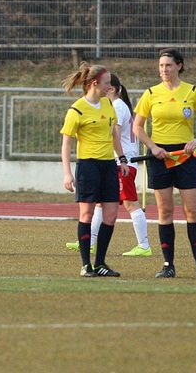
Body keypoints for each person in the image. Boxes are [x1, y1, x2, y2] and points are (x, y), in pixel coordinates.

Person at [132, 48, 196, 279]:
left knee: (192, 210)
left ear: (179, 66)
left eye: (168, 65)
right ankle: (168, 265)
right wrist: (153, 147)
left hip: (185, 155)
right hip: (159, 156)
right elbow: (137, 126)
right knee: (165, 211)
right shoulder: (151, 93)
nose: (164, 70)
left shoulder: (192, 91)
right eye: (161, 65)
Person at [65, 73, 152, 257]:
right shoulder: (114, 105)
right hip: (116, 161)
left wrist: (119, 158)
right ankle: (89, 242)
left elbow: (114, 134)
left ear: (111, 88)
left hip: (121, 162)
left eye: (107, 84)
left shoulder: (117, 106)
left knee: (130, 203)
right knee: (99, 204)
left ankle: (144, 245)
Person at [60, 62, 131, 277]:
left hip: (108, 165)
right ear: (94, 83)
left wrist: (122, 159)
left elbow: (114, 135)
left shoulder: (108, 104)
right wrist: (67, 172)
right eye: (107, 83)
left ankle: (100, 263)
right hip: (88, 166)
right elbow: (66, 143)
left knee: (111, 215)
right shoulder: (76, 110)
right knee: (87, 214)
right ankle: (86, 265)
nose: (110, 87)